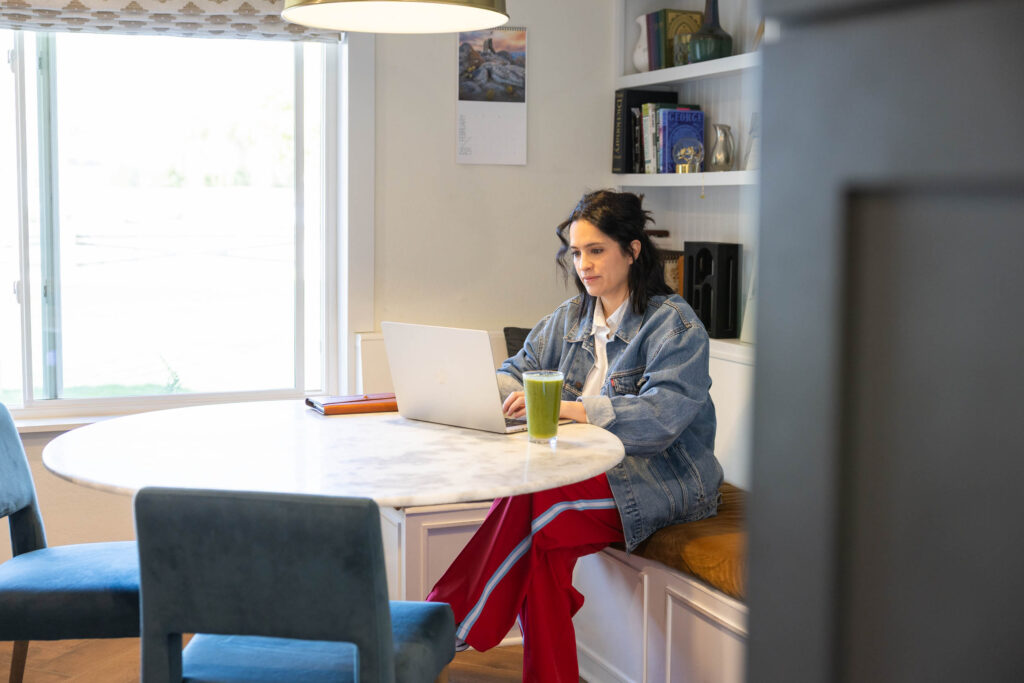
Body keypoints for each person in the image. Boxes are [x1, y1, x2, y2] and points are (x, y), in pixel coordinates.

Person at [426, 190, 723, 682]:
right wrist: (473, 388)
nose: (583, 264)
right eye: (575, 252)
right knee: (541, 546)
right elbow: (516, 371)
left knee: (539, 511)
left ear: (632, 251)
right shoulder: (570, 317)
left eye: (596, 250)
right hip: (581, 472)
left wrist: (573, 408)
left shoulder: (675, 326)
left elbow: (660, 418)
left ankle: (443, 621)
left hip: (663, 481)